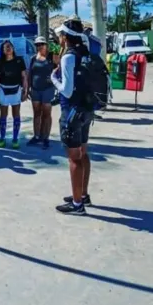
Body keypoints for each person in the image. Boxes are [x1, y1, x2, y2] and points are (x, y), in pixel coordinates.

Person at [53, 19, 95, 215]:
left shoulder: (68, 57)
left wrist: (54, 79)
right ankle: (83, 194)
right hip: (86, 110)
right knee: (83, 153)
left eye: (60, 35)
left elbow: (67, 91)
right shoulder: (85, 53)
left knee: (74, 159)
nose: (59, 37)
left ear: (65, 37)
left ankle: (77, 204)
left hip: (71, 112)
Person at [0, 40, 28, 149]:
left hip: (16, 90)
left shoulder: (19, 60)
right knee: (3, 115)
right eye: (6, 47)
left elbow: (24, 77)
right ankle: (2, 138)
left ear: (13, 48)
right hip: (3, 90)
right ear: (3, 50)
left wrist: (25, 91)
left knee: (16, 115)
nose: (8, 48)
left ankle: (15, 139)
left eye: (10, 46)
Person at [29, 36, 55, 149]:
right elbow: (30, 73)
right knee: (36, 114)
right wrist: (28, 88)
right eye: (37, 45)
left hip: (48, 89)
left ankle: (46, 138)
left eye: (41, 44)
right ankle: (36, 136)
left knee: (46, 114)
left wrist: (54, 77)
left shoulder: (51, 56)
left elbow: (60, 68)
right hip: (35, 89)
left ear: (46, 45)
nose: (39, 46)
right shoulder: (33, 58)